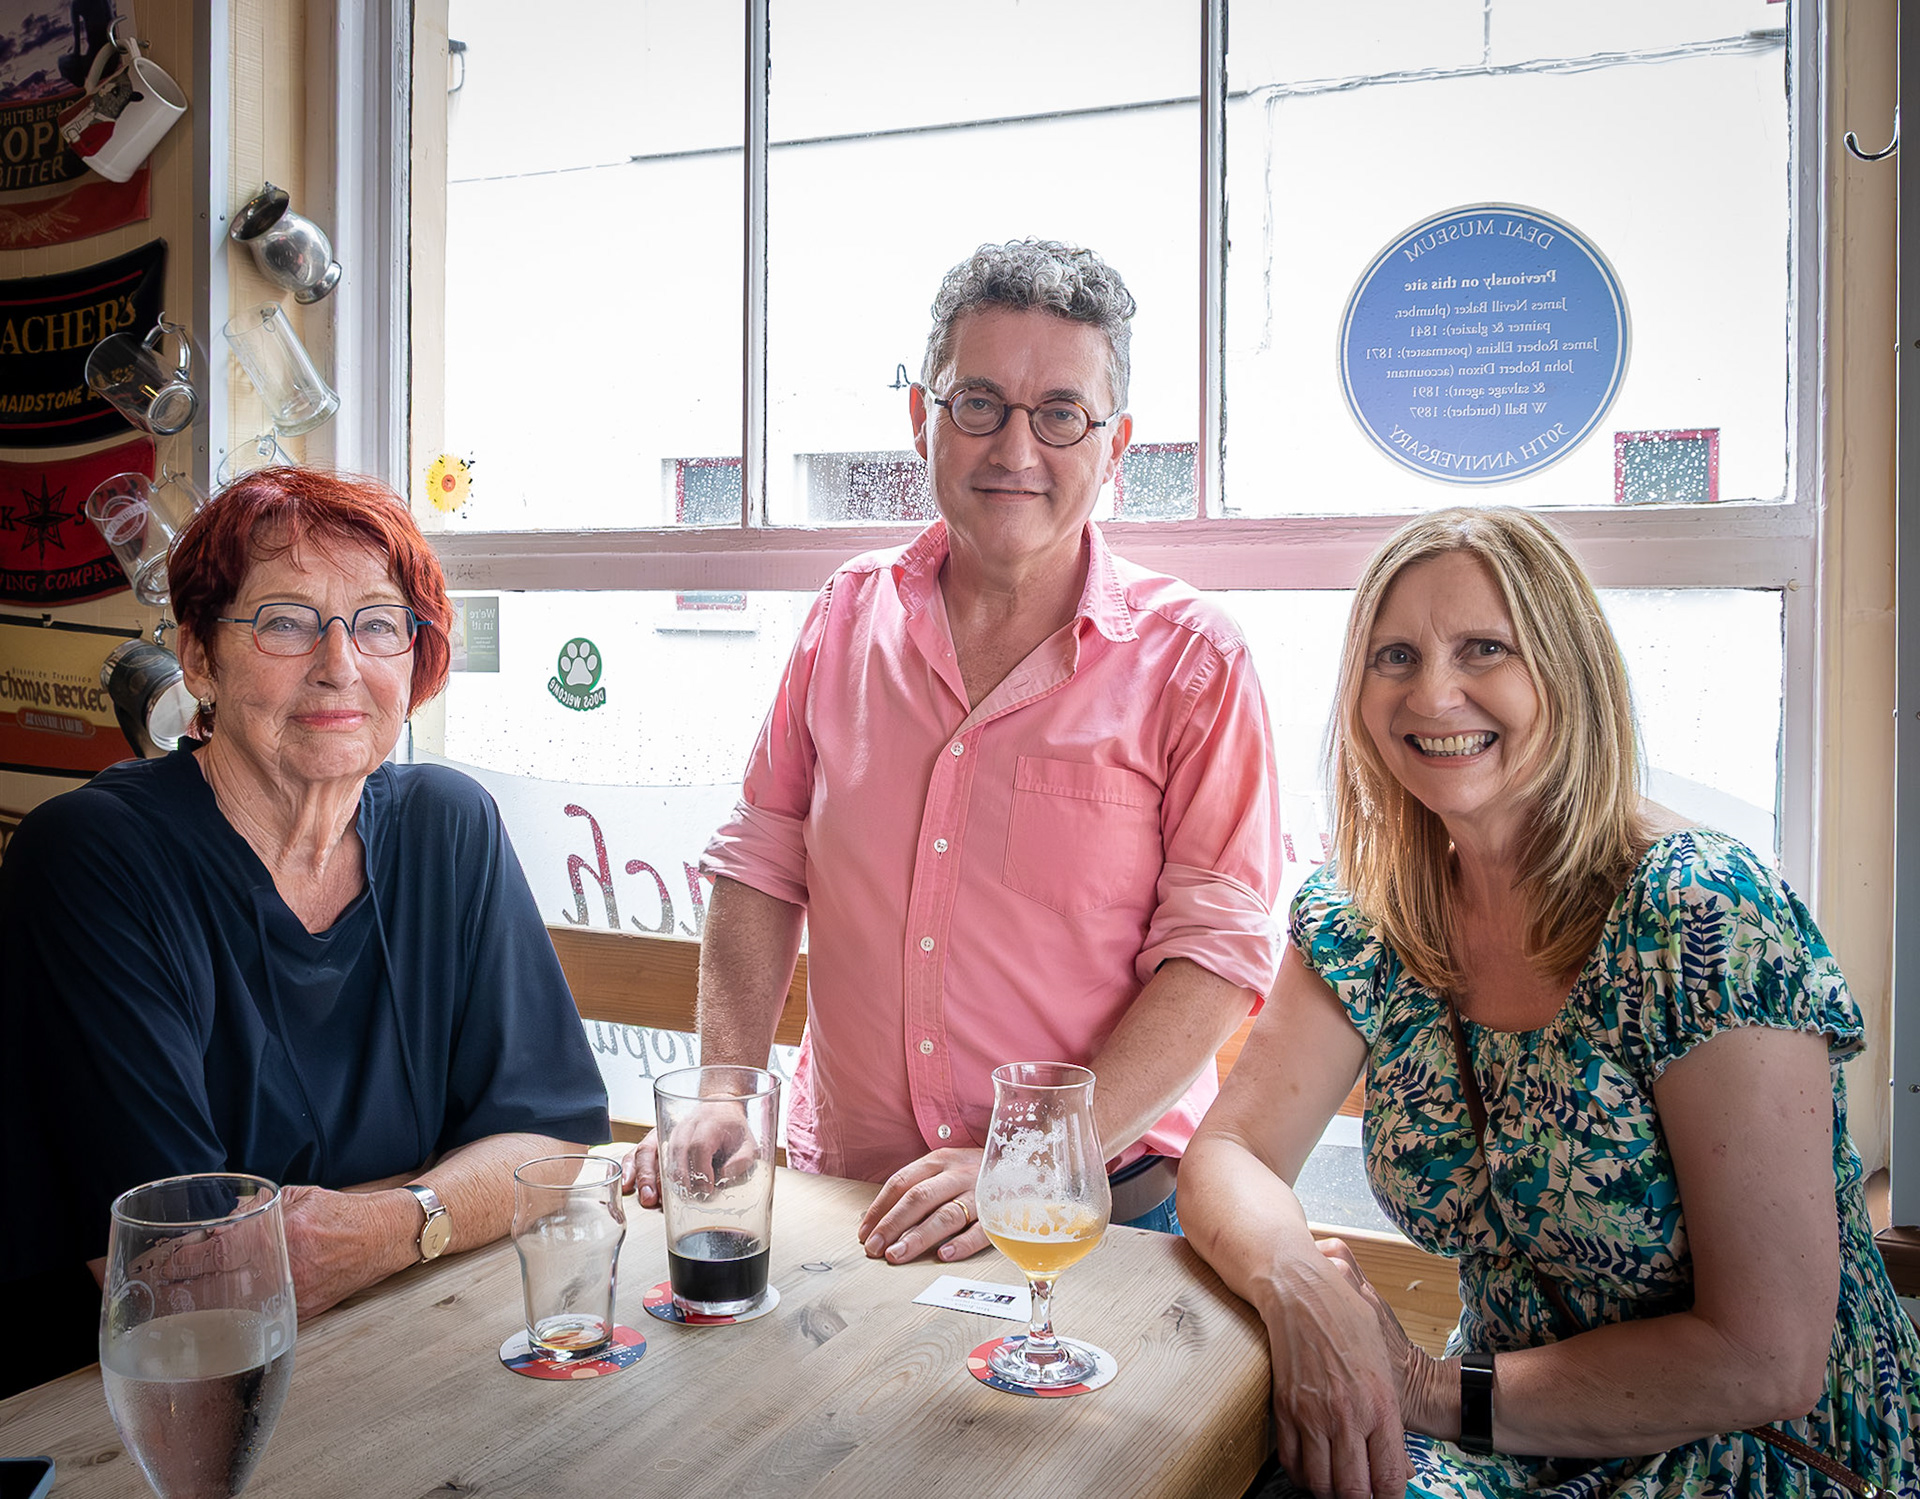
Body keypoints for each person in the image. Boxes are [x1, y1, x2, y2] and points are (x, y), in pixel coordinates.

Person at [1179, 506, 1919, 1499]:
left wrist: (1429, 1387)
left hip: (1757, 1455)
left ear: (1567, 671)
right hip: (1511, 1436)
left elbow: (1765, 1358)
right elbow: (1229, 1153)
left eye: (1484, 647)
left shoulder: (1701, 912)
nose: (1432, 691)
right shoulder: (1372, 911)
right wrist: (1299, 1279)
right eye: (1394, 654)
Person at [626, 239, 1282, 1259]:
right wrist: (725, 1093)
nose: (1015, 450)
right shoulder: (845, 615)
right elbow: (761, 861)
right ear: (921, 418)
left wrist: (1028, 1160)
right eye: (979, 403)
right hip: (841, 1202)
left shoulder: (1197, 660)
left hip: (1098, 1213)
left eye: (1061, 413)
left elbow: (1217, 956)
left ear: (1117, 444)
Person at [0, 467, 609, 1397]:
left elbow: (553, 1145)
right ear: (199, 657)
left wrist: (395, 1222)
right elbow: (186, 1277)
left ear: (415, 657)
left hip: (396, 1348)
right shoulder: (90, 860)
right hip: (126, 1408)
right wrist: (455, 1188)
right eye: (285, 621)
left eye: (377, 623)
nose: (339, 664)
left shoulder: (451, 825)